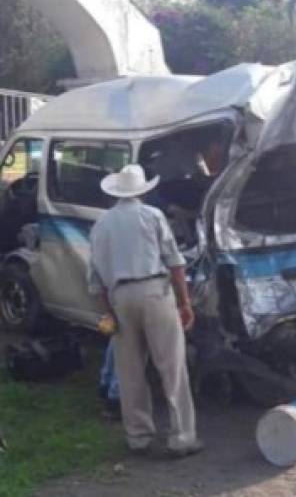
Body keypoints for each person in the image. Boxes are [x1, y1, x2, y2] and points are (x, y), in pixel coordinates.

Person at [87, 163, 202, 458]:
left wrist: (108, 313)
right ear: (142, 190)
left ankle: (138, 437)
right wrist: (184, 302)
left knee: (130, 371)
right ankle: (181, 437)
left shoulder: (101, 225)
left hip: (119, 297)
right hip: (154, 292)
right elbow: (174, 262)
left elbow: (95, 280)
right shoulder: (153, 216)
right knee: (171, 367)